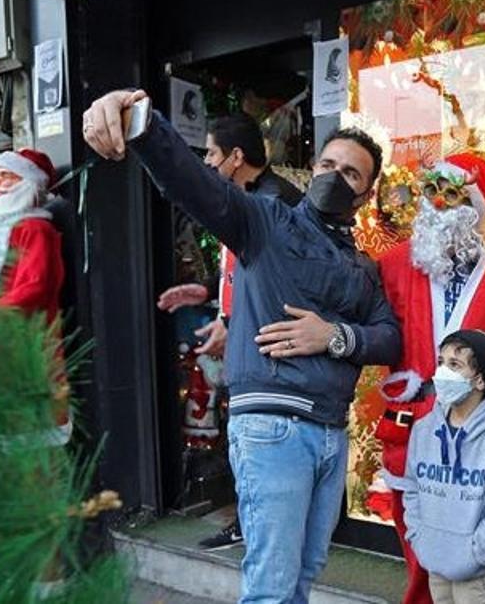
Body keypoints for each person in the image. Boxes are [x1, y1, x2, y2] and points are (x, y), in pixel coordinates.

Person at [81, 90, 402, 604]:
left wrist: (335, 336)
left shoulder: (361, 267)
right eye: (328, 164)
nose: (334, 177)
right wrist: (142, 122)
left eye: (351, 174)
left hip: (329, 432)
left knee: (302, 575)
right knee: (273, 586)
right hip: (274, 428)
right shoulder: (265, 220)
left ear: (366, 195)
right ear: (312, 169)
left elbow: (389, 336)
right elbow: (196, 184)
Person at [372, 154, 485, 604]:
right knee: (418, 548)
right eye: (432, 191)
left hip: (475, 435)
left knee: (472, 547)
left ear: (476, 208)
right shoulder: (393, 264)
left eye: (454, 194)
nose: (439, 203)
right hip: (411, 429)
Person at [152, 114, 302, 552]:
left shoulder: (272, 203)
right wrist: (207, 293)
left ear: (236, 157)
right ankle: (253, 520)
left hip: (270, 348)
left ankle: (256, 524)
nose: (206, 163)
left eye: (212, 154)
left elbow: (275, 283)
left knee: (257, 438)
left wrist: (232, 323)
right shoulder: (250, 197)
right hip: (253, 340)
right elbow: (241, 271)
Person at [398, 330, 485, 604]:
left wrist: (479, 552)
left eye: (455, 365)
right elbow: (412, 487)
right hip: (435, 559)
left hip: (479, 571)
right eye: (441, 362)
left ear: (480, 380)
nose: (442, 372)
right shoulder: (424, 430)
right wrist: (420, 537)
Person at [0, 148, 69, 435]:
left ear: (28, 183)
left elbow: (35, 286)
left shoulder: (35, 229)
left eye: (6, 176)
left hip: (22, 336)